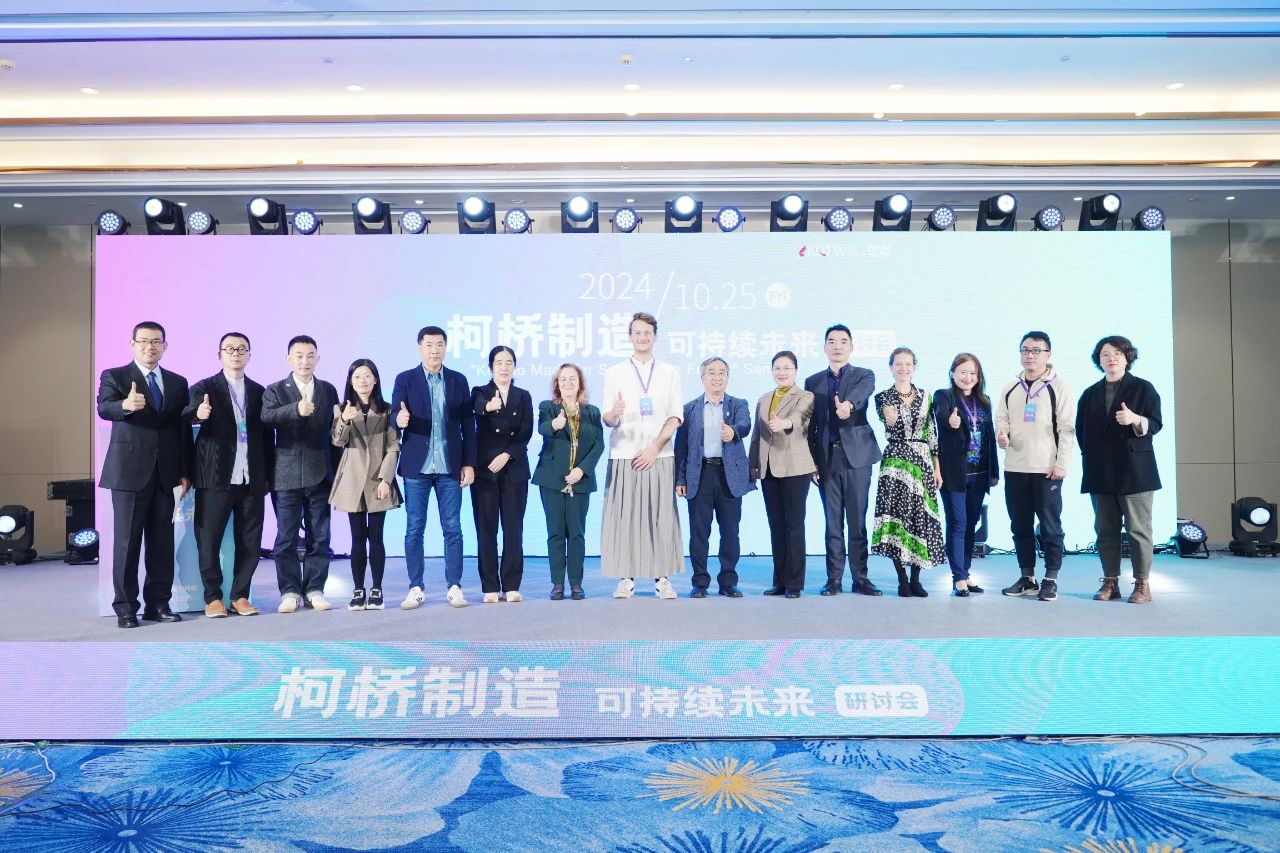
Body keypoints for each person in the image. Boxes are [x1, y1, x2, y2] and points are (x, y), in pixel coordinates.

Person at [96, 321, 194, 629]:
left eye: (156, 341)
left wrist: (184, 470)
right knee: (127, 543)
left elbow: (182, 428)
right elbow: (104, 407)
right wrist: (125, 405)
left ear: (165, 345)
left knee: (162, 542)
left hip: (166, 473)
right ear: (132, 344)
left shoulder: (178, 382)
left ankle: (158, 604)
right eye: (143, 341)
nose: (149, 346)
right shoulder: (115, 376)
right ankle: (126, 608)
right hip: (128, 473)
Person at [185, 332, 274, 618]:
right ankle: (212, 597)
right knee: (208, 540)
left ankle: (240, 595)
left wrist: (268, 476)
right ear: (220, 354)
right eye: (230, 349)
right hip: (216, 476)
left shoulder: (260, 392)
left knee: (250, 542)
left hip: (251, 478)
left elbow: (267, 437)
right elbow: (187, 413)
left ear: (249, 355)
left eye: (241, 349)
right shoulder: (204, 387)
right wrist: (198, 414)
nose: (236, 353)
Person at [600, 312, 684, 599]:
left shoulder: (670, 373)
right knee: (625, 518)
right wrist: (614, 414)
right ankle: (626, 578)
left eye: (648, 332)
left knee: (661, 516)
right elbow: (608, 418)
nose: (643, 337)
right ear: (630, 337)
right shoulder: (615, 373)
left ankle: (662, 579)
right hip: (624, 454)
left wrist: (654, 448)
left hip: (660, 455)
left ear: (655, 337)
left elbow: (675, 417)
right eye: (637, 332)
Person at [391, 325, 476, 609]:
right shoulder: (405, 379)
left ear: (445, 347)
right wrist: (399, 420)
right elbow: (394, 415)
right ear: (420, 348)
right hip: (417, 466)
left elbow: (468, 425)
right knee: (415, 529)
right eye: (429, 345)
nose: (434, 350)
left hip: (450, 466)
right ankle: (416, 586)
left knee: (453, 528)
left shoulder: (457, 380)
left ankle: (454, 586)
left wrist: (469, 463)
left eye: (439, 345)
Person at [1077, 335, 1162, 604]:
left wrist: (1135, 419)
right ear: (1098, 360)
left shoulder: (1143, 388)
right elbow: (1081, 432)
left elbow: (1155, 423)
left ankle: (1142, 583)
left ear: (1128, 358)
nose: (1111, 358)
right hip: (1100, 470)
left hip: (1135, 471)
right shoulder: (1089, 393)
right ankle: (1110, 581)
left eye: (1117, 353)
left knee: (1138, 530)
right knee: (1105, 530)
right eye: (1105, 354)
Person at [995, 330, 1077, 602]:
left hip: (1046, 470)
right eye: (1025, 350)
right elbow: (1002, 419)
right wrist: (1002, 434)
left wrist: (1061, 464)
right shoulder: (1011, 387)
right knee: (1020, 526)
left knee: (1051, 527)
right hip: (1015, 468)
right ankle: (1027, 577)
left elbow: (1067, 429)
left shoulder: (1059, 386)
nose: (1030, 355)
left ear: (1048, 354)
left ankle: (1051, 579)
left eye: (1036, 350)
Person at [261, 335, 339, 613]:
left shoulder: (328, 389)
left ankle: (315, 589)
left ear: (317, 359)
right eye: (299, 355)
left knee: (320, 536)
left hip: (321, 472)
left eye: (310, 355)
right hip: (286, 474)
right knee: (286, 538)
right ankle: (290, 591)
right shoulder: (275, 390)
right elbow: (267, 417)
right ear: (288, 358)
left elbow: (334, 431)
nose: (305, 361)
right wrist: (295, 409)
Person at [805, 324, 883, 596]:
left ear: (851, 347)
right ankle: (834, 579)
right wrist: (812, 461)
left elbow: (862, 395)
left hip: (857, 458)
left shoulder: (864, 375)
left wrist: (847, 405)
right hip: (827, 458)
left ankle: (860, 578)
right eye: (831, 341)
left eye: (842, 341)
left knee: (857, 521)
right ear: (825, 347)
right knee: (832, 522)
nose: (837, 346)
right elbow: (811, 426)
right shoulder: (813, 382)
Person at [674, 357, 753, 598]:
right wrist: (680, 479)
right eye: (711, 372)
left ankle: (728, 581)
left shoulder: (738, 404)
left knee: (730, 531)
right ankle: (700, 582)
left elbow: (745, 425)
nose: (716, 377)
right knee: (699, 532)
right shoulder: (689, 409)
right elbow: (681, 447)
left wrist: (733, 431)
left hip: (729, 475)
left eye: (721, 372)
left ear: (727, 377)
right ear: (702, 378)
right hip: (699, 475)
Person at [870, 347, 946, 597]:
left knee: (919, 518)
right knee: (897, 518)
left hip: (922, 462)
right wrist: (889, 417)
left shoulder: (926, 396)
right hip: (896, 463)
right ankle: (902, 578)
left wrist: (937, 467)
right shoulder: (883, 397)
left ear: (914, 367)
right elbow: (887, 418)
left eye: (908, 364)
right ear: (891, 367)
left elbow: (932, 433)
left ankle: (916, 579)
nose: (903, 368)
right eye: (898, 364)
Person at [330, 358, 401, 611]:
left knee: (377, 538)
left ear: (376, 379)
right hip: (352, 481)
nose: (363, 381)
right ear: (351, 381)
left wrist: (385, 479)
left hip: (378, 480)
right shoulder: (341, 409)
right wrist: (345, 420)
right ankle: (358, 589)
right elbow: (338, 441)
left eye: (367, 376)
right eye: (357, 376)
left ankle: (377, 589)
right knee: (357, 538)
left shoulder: (387, 410)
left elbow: (393, 446)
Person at [532, 363, 604, 600]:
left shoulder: (592, 412)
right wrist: (555, 424)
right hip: (552, 479)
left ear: (580, 383)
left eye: (572, 378)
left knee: (576, 534)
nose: (568, 383)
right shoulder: (548, 407)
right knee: (555, 532)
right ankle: (557, 584)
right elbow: (543, 427)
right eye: (563, 379)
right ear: (557, 384)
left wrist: (582, 470)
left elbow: (598, 445)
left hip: (580, 481)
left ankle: (576, 583)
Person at [749, 351, 816, 599]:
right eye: (777, 368)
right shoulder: (764, 398)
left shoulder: (805, 396)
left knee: (794, 525)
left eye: (787, 368)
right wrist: (752, 464)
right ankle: (779, 581)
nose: (782, 372)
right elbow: (757, 434)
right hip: (768, 469)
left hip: (795, 468)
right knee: (776, 526)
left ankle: (795, 583)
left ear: (796, 371)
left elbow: (799, 419)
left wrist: (784, 423)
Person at [471, 346, 533, 603]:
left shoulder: (523, 396)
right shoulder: (480, 392)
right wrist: (488, 406)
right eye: (499, 362)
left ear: (514, 366)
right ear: (491, 366)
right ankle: (489, 586)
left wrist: (507, 455)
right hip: (485, 473)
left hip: (514, 470)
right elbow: (476, 407)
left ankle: (511, 585)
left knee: (513, 529)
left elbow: (526, 431)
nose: (504, 367)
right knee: (486, 529)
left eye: (509, 362)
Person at [933, 353, 1000, 597]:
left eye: (973, 373)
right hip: (954, 473)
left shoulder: (985, 401)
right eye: (963, 372)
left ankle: (966, 572)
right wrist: (950, 421)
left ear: (978, 376)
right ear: (953, 373)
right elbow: (942, 415)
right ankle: (958, 577)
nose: (968, 377)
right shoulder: (944, 396)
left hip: (979, 473)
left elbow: (990, 437)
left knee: (971, 524)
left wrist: (994, 470)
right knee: (958, 523)